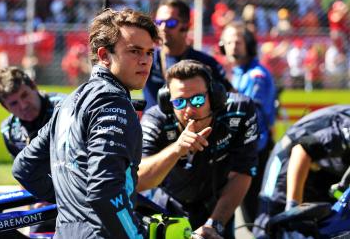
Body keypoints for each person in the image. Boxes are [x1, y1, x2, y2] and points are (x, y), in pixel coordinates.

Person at [12, 8, 160, 239]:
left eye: (150, 52)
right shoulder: (113, 102)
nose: (145, 61)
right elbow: (105, 191)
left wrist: (73, 200)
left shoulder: (68, 102)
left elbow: (24, 168)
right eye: (135, 51)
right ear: (103, 55)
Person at [137, 60, 258, 239]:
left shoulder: (240, 111)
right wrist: (176, 149)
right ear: (168, 102)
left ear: (214, 96)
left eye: (197, 100)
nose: (189, 110)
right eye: (179, 102)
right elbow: (137, 180)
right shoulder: (155, 120)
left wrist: (214, 224)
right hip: (168, 205)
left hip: (218, 205)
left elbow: (242, 172)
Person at [253, 105, 350, 238]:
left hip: (328, 170)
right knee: (272, 225)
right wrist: (293, 208)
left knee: (327, 228)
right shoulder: (347, 125)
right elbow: (302, 150)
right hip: (292, 157)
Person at [0, 66, 65, 237]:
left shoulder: (66, 108)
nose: (23, 105)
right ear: (5, 107)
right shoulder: (10, 131)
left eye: (24, 95)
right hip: (43, 201)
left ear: (33, 86)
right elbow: (25, 176)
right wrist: (31, 208)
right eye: (13, 103)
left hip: (79, 194)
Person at [219, 21, 276, 226]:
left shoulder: (255, 76)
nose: (233, 46)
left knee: (256, 215)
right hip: (247, 149)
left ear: (249, 45)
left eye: (238, 41)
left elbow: (249, 117)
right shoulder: (240, 73)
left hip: (254, 150)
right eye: (229, 42)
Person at [143, 0, 232, 111]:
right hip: (153, 127)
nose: (163, 28)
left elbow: (231, 96)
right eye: (159, 22)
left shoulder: (205, 62)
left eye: (171, 23)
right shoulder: (146, 58)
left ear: (185, 26)